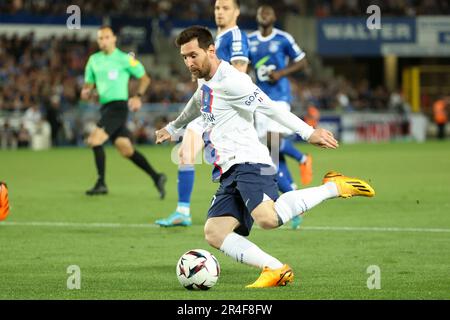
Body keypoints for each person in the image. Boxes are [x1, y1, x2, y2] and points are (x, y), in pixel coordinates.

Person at [156, 26, 375, 288]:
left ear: (210, 50)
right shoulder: (205, 79)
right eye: (184, 57)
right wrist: (173, 127)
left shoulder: (233, 81)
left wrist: (308, 132)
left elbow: (269, 107)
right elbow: (197, 101)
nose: (189, 62)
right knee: (214, 232)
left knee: (267, 218)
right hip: (228, 170)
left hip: (250, 161)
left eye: (193, 55)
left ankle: (333, 186)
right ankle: (275, 268)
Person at [155, 0, 249, 227]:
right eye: (217, 8)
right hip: (206, 107)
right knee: (185, 154)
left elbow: (240, 71)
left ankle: (283, 204)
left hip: (224, 111)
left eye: (225, 8)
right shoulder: (215, 39)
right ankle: (182, 212)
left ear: (236, 12)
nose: (219, 12)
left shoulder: (235, 36)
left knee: (246, 165)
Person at [81, 26, 166, 197]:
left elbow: (145, 78)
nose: (103, 41)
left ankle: (101, 183)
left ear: (114, 39)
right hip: (105, 108)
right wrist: (87, 92)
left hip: (118, 107)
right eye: (100, 38)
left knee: (94, 141)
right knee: (126, 149)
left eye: (106, 37)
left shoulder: (124, 59)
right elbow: (89, 86)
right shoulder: (93, 60)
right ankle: (157, 177)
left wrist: (137, 96)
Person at [248, 5, 312, 230]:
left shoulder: (284, 38)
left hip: (279, 97)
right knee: (269, 156)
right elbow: (244, 65)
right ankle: (293, 199)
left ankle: (302, 158)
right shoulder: (249, 40)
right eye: (261, 13)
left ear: (274, 17)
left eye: (268, 13)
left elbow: (303, 61)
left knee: (272, 140)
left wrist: (281, 73)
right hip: (257, 99)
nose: (264, 15)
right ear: (256, 17)